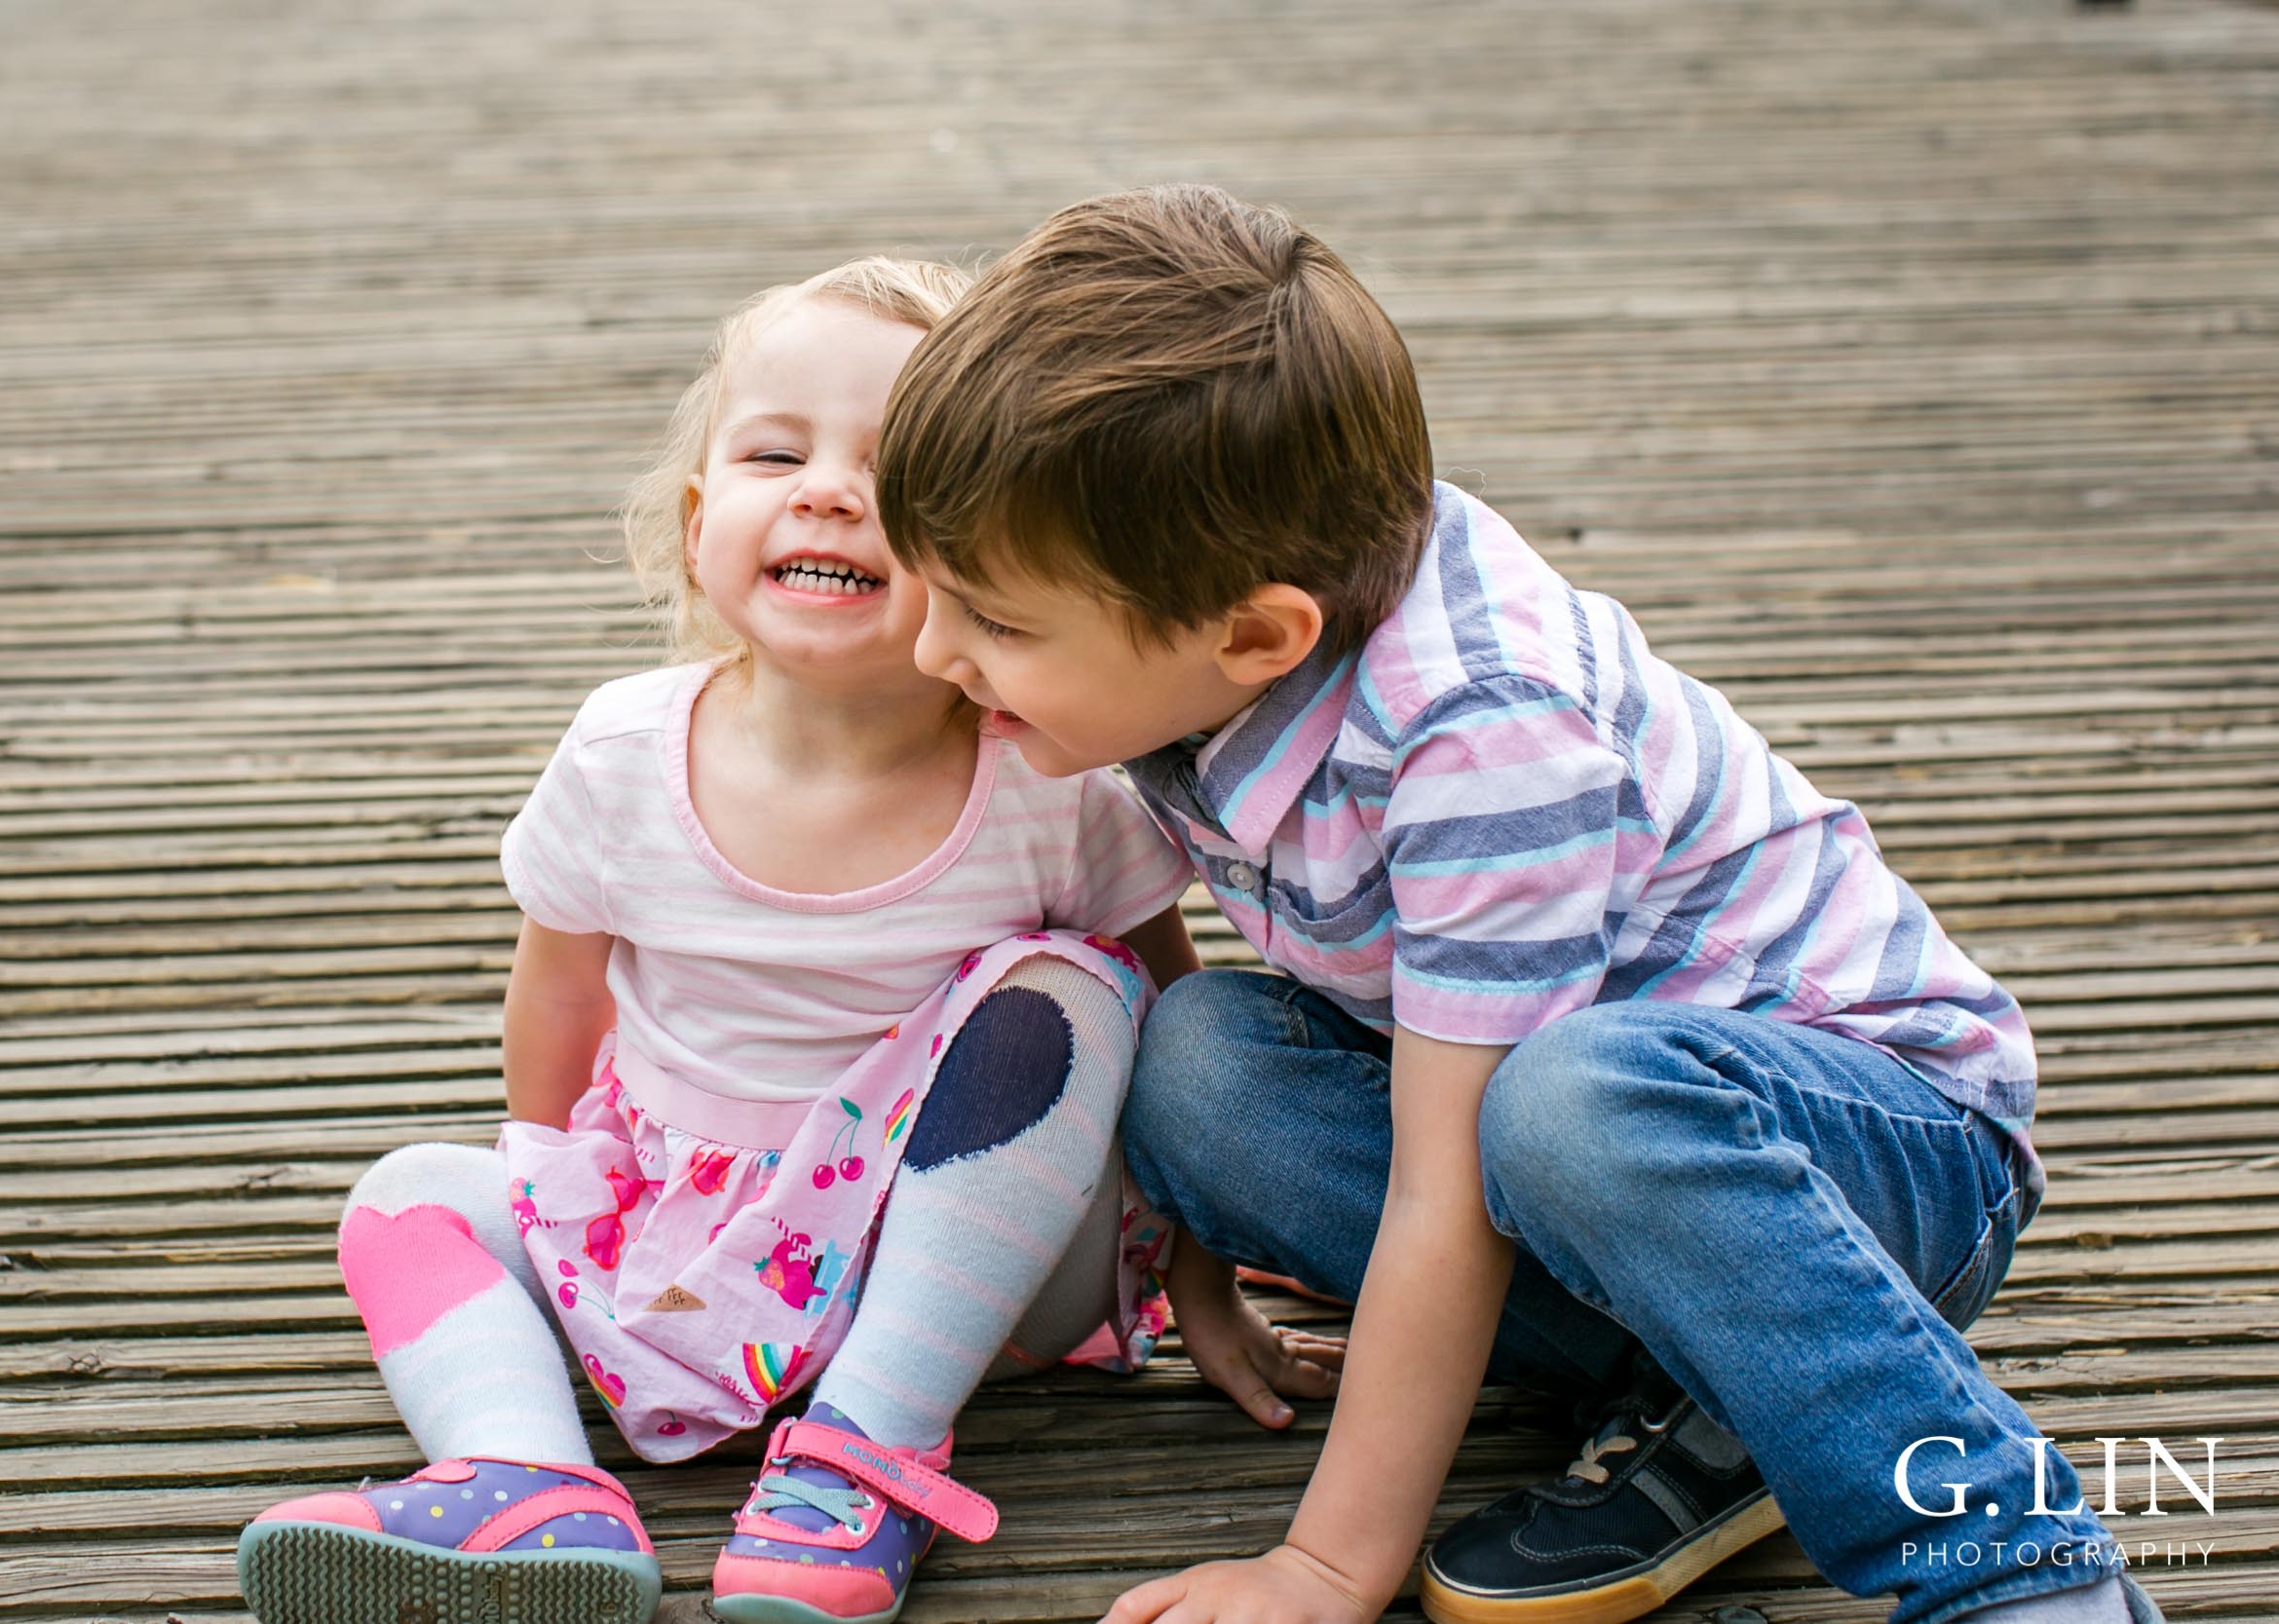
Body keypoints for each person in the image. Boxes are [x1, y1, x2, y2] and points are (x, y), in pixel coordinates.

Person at [875, 185, 2160, 1624]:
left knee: (1569, 1100)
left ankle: (2015, 1564)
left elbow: (1450, 1177)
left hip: (1878, 1159)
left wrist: (1325, 1564)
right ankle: (1733, 1399)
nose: (932, 650)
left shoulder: (1483, 736)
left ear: (1256, 636)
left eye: (990, 620)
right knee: (1198, 1066)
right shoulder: (1201, 615)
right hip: (1571, 1144)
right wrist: (1195, 1276)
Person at [232, 255, 1202, 1624]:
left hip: (959, 1279)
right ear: (701, 521)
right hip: (681, 1237)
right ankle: (527, 1482)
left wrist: (1200, 1275)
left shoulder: (1050, 783)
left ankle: (866, 1449)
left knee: (1077, 994)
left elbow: (1178, 1026)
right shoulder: (624, 755)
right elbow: (557, 1004)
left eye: (893, 468)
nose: (825, 489)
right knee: (408, 1196)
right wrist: (569, 1199)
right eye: (774, 452)